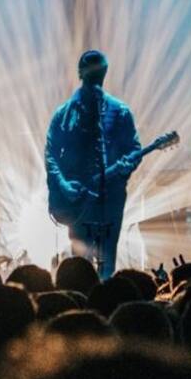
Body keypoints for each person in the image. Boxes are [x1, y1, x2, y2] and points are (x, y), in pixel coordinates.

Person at [45, 50, 142, 279]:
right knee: (80, 258)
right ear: (80, 73)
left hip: (110, 195)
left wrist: (127, 165)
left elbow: (134, 149)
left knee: (107, 255)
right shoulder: (64, 114)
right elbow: (51, 154)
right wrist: (64, 185)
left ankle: (103, 296)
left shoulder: (119, 112)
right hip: (78, 198)